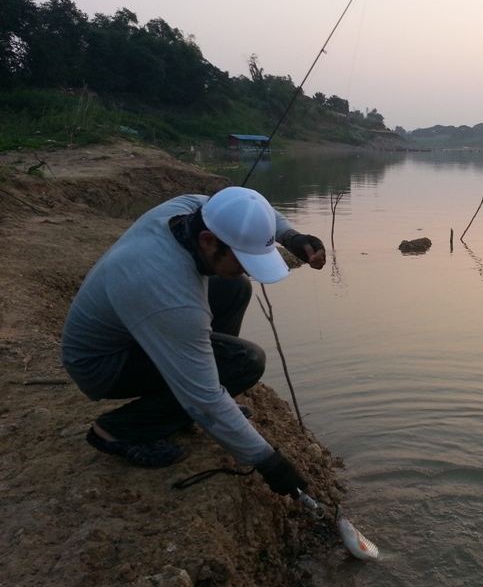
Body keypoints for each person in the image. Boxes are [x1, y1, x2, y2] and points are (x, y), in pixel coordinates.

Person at [61, 186, 324, 497]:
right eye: (242, 258)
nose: (247, 269)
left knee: (235, 287)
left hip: (134, 332)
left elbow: (255, 207)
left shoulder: (192, 211)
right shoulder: (169, 294)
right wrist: (270, 463)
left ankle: (177, 407)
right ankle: (118, 430)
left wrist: (291, 237)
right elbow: (204, 397)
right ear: (208, 241)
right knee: (245, 362)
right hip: (103, 365)